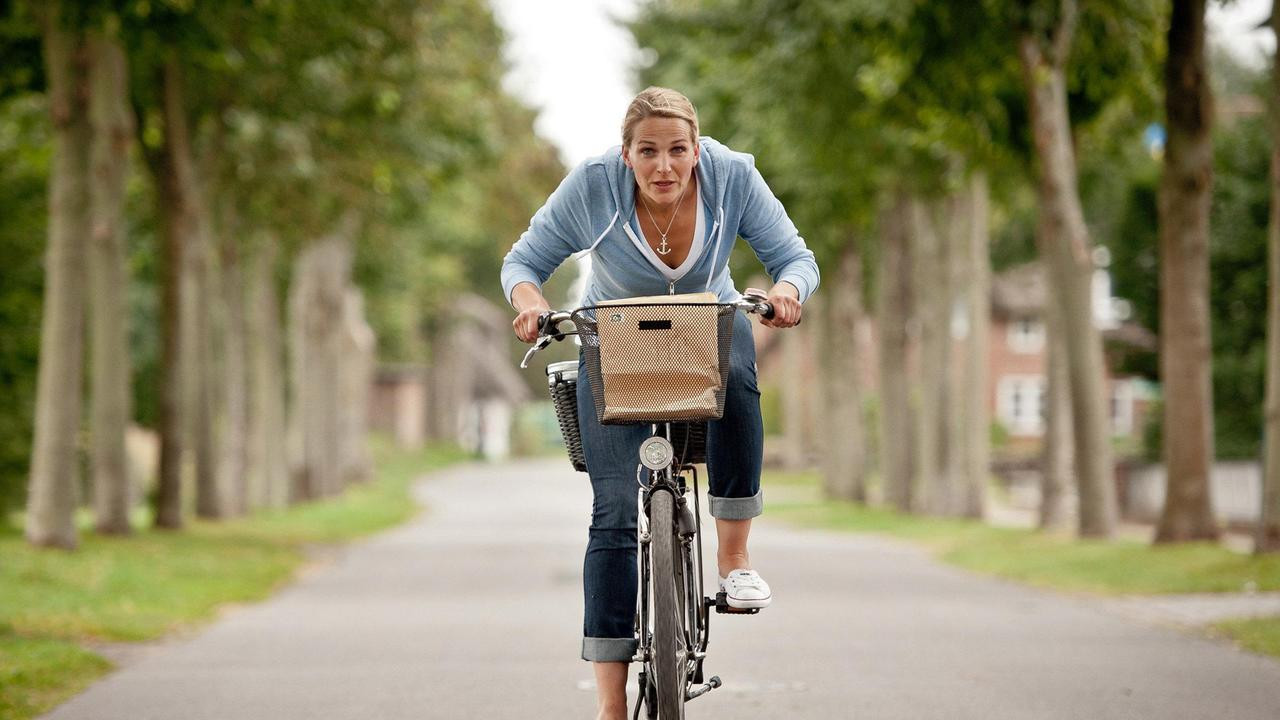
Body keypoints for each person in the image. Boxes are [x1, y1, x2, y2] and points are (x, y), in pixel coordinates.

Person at [501, 86, 818, 720]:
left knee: (739, 363)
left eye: (678, 150)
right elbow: (523, 262)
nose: (664, 166)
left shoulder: (733, 177)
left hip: (704, 330)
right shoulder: (593, 185)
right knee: (614, 512)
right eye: (648, 151)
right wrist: (532, 304)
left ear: (697, 149)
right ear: (626, 154)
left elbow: (795, 257)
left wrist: (785, 292)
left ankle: (734, 561)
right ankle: (611, 706)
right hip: (615, 339)